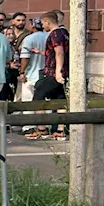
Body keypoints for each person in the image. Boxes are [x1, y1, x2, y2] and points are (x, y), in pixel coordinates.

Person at [31, 10, 70, 139]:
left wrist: (58, 72)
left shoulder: (55, 34)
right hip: (63, 72)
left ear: (48, 22)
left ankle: (42, 128)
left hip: (53, 73)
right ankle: (61, 130)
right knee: (59, 99)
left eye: (43, 23)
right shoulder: (64, 33)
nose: (42, 26)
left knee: (38, 96)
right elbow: (56, 53)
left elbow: (59, 52)